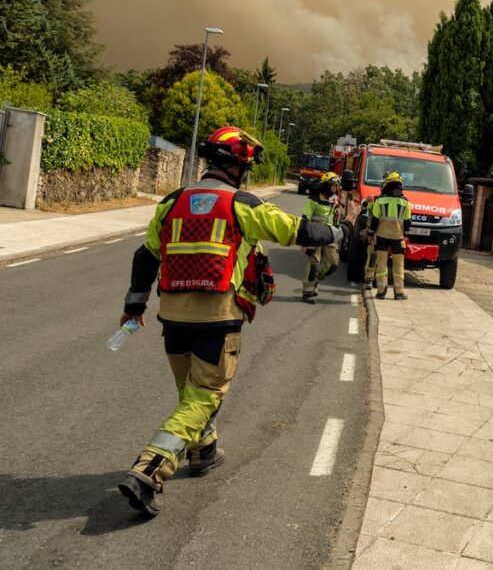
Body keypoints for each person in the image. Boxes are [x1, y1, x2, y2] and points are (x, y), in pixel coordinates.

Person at [116, 126, 339, 517]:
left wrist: (134, 306)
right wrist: (340, 230)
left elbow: (145, 256)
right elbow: (298, 231)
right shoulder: (242, 203)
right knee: (205, 395)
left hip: (172, 317)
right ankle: (150, 467)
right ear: (239, 167)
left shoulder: (171, 202)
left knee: (192, 394)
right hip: (218, 319)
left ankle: (204, 452)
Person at [369, 171, 412, 300]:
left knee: (381, 263)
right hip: (398, 237)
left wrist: (371, 233)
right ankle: (399, 292)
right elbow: (408, 222)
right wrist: (405, 235)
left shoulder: (380, 200)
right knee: (398, 264)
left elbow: (374, 220)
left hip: (381, 236)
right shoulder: (405, 202)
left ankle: (381, 291)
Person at [301, 171, 342, 304]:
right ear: (326, 186)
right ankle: (308, 291)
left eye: (336, 186)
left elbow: (334, 219)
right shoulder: (313, 199)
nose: (335, 189)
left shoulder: (333, 200)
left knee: (333, 264)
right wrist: (306, 239)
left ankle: (315, 279)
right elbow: (305, 219)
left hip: (329, 236)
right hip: (314, 236)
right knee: (314, 264)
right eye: (333, 186)